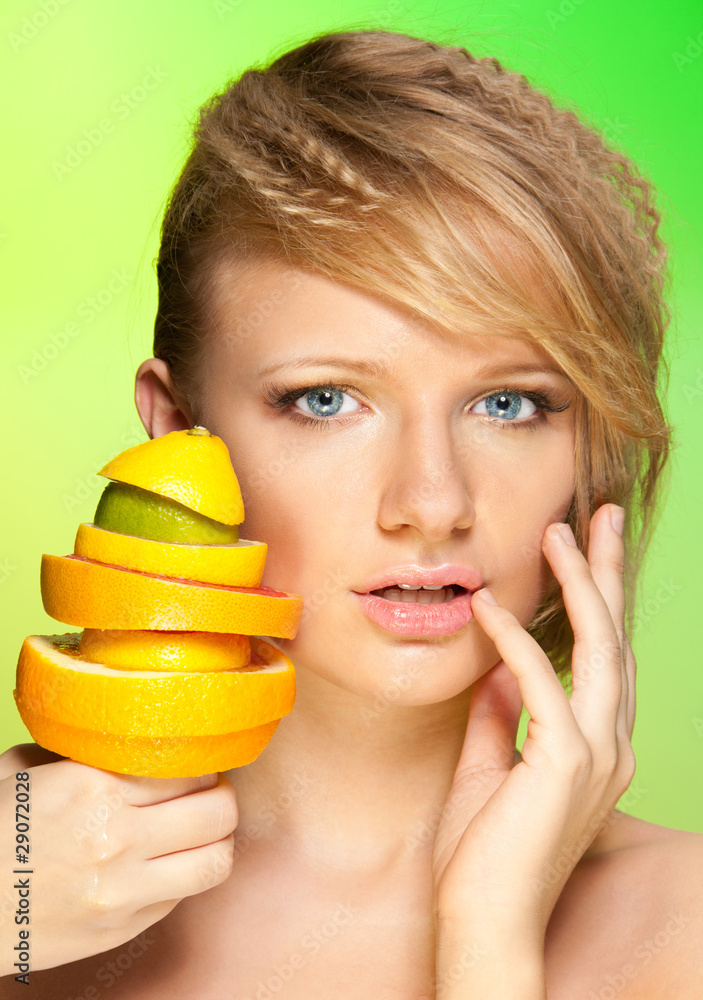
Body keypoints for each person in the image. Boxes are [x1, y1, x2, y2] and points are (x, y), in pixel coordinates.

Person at [1, 27, 701, 999]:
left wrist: (487, 944)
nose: (431, 504)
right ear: (176, 431)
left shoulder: (684, 929)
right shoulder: (28, 889)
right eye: (326, 399)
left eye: (508, 403)